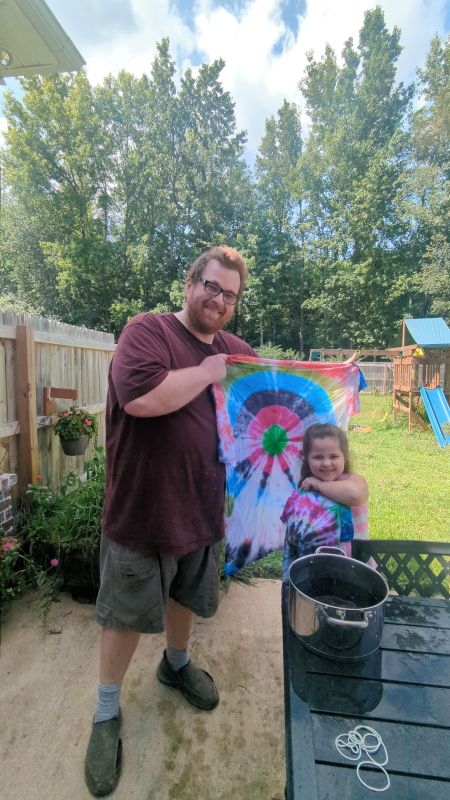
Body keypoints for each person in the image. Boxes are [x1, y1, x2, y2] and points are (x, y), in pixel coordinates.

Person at [84, 245, 255, 797]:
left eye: (230, 295)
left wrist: (333, 379)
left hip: (202, 508)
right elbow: (140, 399)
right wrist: (206, 373)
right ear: (190, 283)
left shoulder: (234, 350)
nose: (219, 300)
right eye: (212, 286)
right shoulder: (148, 332)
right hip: (142, 511)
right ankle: (105, 712)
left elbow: (268, 391)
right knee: (124, 615)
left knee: (185, 597)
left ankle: (176, 665)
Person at [281, 423, 368, 574]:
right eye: (318, 457)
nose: (326, 463)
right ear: (307, 460)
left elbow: (355, 495)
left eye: (333, 456)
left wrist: (320, 485)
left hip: (355, 567)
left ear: (345, 457)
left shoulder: (354, 480)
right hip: (316, 569)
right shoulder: (305, 492)